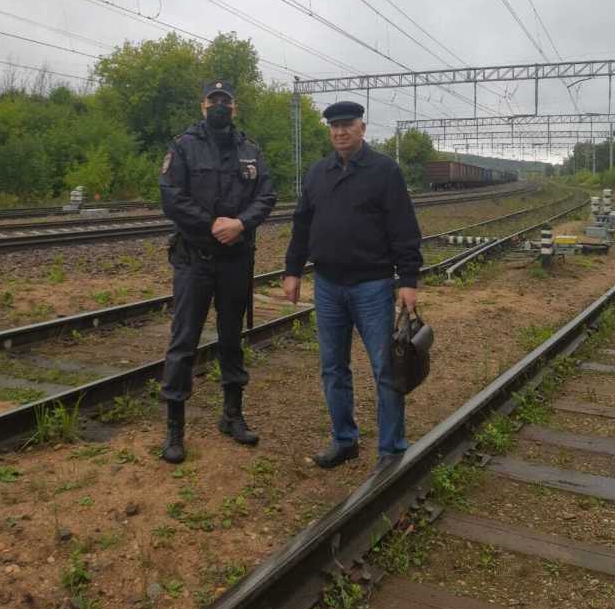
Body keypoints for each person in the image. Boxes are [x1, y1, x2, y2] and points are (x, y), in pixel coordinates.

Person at [282, 101, 423, 468]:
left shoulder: (384, 171)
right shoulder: (317, 174)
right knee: (333, 368)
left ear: (362, 128)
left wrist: (408, 279)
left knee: (386, 368)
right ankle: (345, 440)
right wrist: (292, 270)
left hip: (372, 286)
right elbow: (302, 225)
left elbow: (404, 229)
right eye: (334, 126)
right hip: (328, 285)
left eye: (347, 125)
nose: (340, 131)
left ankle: (391, 449)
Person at [158, 79, 276, 463]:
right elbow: (171, 197)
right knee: (183, 342)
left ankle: (232, 415)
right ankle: (175, 428)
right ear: (203, 105)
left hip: (235, 260)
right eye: (214, 100)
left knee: (231, 338)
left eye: (226, 101)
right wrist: (211, 225)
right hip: (194, 259)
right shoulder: (183, 147)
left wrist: (240, 224)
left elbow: (267, 196)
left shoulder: (251, 151)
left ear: (234, 107)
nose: (220, 106)